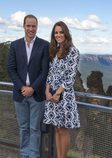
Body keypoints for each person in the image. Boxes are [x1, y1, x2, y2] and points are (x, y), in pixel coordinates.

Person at [7, 14, 49, 158]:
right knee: (24, 128)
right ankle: (24, 155)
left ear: (37, 27)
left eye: (34, 26)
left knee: (35, 129)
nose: (31, 29)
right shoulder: (15, 45)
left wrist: (32, 88)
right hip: (20, 95)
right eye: (28, 25)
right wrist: (22, 87)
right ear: (24, 26)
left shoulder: (44, 45)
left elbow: (45, 71)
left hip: (37, 95)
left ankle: (34, 156)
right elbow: (11, 69)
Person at [43, 21, 80, 158]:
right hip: (51, 95)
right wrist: (47, 91)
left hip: (63, 96)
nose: (58, 35)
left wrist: (58, 93)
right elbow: (50, 73)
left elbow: (70, 77)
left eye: (61, 32)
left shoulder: (73, 51)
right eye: (56, 32)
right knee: (57, 129)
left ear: (66, 33)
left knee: (63, 130)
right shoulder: (54, 50)